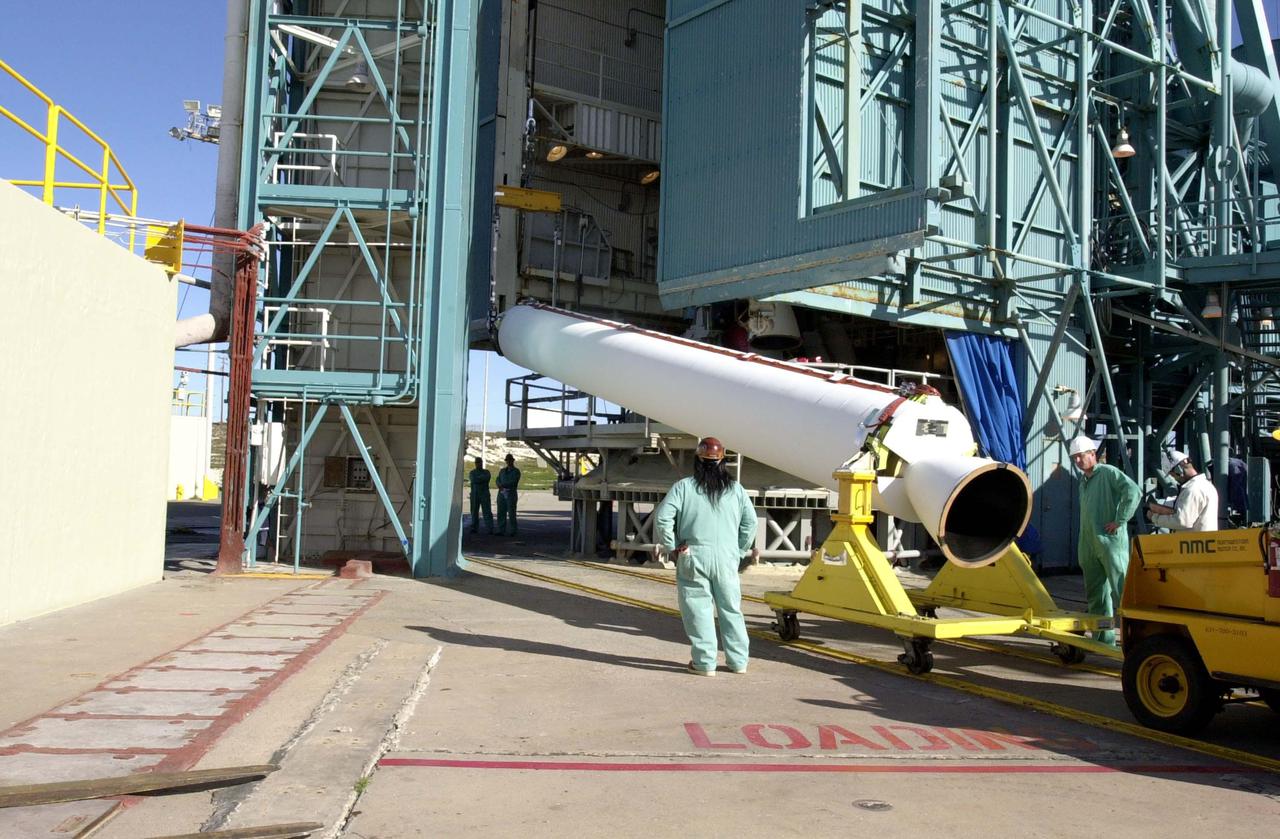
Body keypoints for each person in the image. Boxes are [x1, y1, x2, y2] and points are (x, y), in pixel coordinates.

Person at [654, 437, 756, 676]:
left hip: (693, 554)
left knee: (698, 609)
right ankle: (738, 662)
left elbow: (662, 517)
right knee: (731, 608)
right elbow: (750, 523)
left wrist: (672, 546)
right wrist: (739, 550)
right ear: (723, 462)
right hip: (727, 556)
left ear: (698, 461)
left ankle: (704, 662)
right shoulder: (736, 490)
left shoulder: (684, 487)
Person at [1069, 436, 1140, 646]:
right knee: (1096, 594)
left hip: (1110, 542)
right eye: (1075, 458)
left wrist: (1120, 520)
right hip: (1089, 543)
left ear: (1092, 454)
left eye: (1081, 456)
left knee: (1122, 591)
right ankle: (1103, 640)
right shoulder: (1083, 482)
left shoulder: (1108, 473)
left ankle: (1136, 640)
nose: (1078, 461)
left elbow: (1133, 491)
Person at [1147, 450, 1219, 532]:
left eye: (1172, 474)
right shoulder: (1206, 485)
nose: (1173, 478)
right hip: (1203, 542)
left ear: (1178, 470)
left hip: (1193, 542)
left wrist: (1155, 518)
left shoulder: (1193, 489)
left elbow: (1182, 521)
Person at [496, 453, 521, 536]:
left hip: (511, 493)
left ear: (513, 461)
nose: (508, 462)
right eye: (507, 460)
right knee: (501, 512)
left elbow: (514, 481)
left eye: (510, 460)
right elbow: (497, 479)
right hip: (502, 493)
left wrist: (503, 485)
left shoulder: (516, 471)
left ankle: (513, 530)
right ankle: (501, 530)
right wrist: (499, 485)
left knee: (511, 513)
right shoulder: (502, 471)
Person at [468, 458, 494, 535]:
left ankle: (489, 528)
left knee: (487, 511)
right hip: (474, 494)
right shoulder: (472, 472)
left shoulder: (486, 472)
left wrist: (479, 478)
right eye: (477, 462)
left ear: (482, 463)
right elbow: (473, 480)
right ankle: (474, 527)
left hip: (484, 494)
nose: (478, 464)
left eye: (479, 462)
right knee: (474, 511)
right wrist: (480, 478)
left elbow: (486, 478)